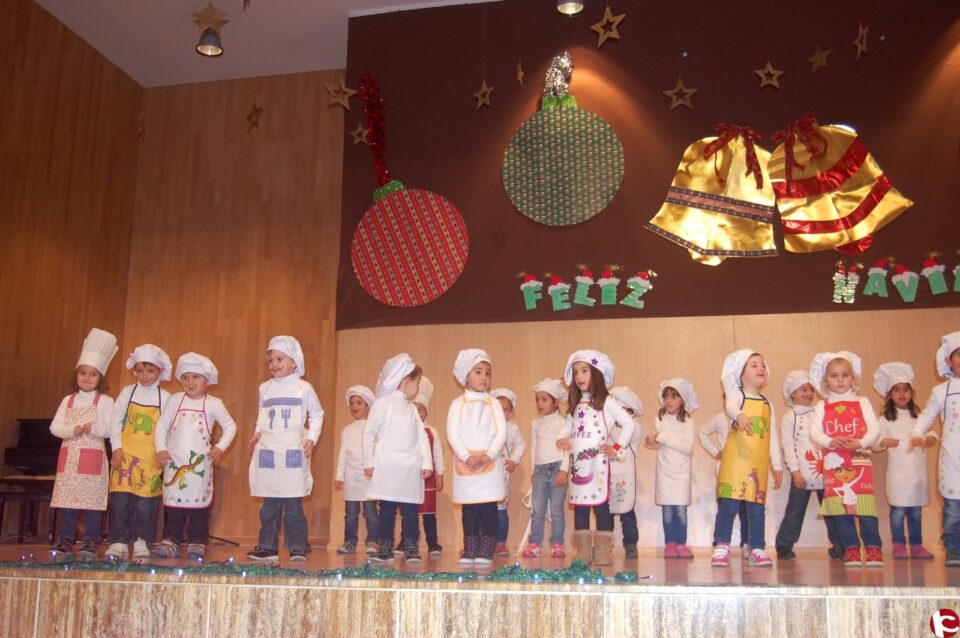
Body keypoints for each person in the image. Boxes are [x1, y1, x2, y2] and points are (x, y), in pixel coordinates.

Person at [151, 352, 236, 561]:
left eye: (195, 377)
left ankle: (196, 542)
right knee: (174, 507)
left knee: (199, 508)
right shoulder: (174, 400)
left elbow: (230, 426)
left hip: (199, 467)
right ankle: (170, 541)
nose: (189, 382)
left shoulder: (214, 403)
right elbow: (161, 425)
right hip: (174, 462)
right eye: (185, 377)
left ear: (207, 380)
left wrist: (220, 447)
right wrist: (161, 448)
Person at [245, 337, 323, 563]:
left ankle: (297, 546)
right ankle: (267, 547)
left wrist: (311, 438)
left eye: (279, 359)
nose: (273, 364)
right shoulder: (265, 388)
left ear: (294, 362)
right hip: (269, 450)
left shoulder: (304, 388)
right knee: (269, 505)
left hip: (292, 451)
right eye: (271, 359)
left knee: (293, 505)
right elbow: (262, 412)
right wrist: (257, 432)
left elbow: (317, 415)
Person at [556, 349, 635, 567]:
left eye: (584, 371)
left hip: (598, 465)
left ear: (597, 374)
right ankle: (582, 552)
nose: (579, 376)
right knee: (580, 507)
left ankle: (602, 552)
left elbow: (629, 424)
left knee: (601, 508)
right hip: (578, 466)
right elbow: (567, 427)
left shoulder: (606, 402)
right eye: (576, 372)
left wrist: (617, 447)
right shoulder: (575, 404)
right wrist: (563, 438)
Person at [49, 328, 118, 560]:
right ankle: (66, 538)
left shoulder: (107, 402)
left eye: (93, 374)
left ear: (101, 378)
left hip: (93, 461)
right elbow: (54, 427)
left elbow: (111, 429)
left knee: (92, 503)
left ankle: (91, 539)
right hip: (69, 461)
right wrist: (72, 430)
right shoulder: (67, 400)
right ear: (76, 375)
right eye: (83, 373)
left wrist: (94, 428)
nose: (87, 378)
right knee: (67, 502)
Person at [808, 351, 882, 568]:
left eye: (845, 375)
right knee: (841, 511)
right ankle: (851, 549)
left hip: (860, 464)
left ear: (853, 378)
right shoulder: (822, 406)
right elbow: (815, 432)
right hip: (834, 465)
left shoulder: (863, 402)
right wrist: (830, 441)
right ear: (825, 381)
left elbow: (874, 428)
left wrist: (860, 443)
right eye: (834, 375)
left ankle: (873, 549)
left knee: (866, 509)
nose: (840, 380)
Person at [712, 349, 783, 568]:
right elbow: (730, 407)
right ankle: (722, 545)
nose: (760, 368)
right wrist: (739, 415)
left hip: (757, 464)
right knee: (729, 504)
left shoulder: (767, 404)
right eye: (753, 365)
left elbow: (772, 436)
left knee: (756, 508)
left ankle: (757, 547)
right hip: (736, 461)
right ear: (741, 374)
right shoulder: (737, 395)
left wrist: (777, 464)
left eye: (762, 364)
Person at [105, 344, 172, 561]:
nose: (144, 376)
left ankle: (142, 540)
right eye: (140, 371)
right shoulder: (127, 392)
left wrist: (164, 453)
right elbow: (115, 421)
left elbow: (170, 429)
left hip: (150, 458)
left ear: (160, 371)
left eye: (150, 371)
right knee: (120, 500)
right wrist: (116, 448)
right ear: (134, 370)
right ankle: (118, 541)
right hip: (124, 456)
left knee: (146, 503)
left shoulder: (167, 397)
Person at [364, 353, 433, 564]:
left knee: (410, 510)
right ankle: (385, 545)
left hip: (410, 469)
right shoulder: (382, 404)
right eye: (417, 383)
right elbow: (369, 433)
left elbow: (421, 437)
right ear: (406, 380)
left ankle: (411, 545)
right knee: (386, 509)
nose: (418, 388)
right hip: (387, 468)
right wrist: (369, 461)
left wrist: (426, 463)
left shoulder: (412, 409)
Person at [774, 371, 842, 560]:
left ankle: (839, 545)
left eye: (811, 389)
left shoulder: (821, 412)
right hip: (802, 473)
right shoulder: (790, 417)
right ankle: (784, 544)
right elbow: (788, 445)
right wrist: (795, 472)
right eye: (803, 389)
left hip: (825, 472)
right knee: (795, 511)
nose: (808, 393)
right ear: (792, 394)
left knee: (832, 511)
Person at [447, 349, 506, 566]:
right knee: (469, 509)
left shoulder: (495, 404)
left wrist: (490, 455)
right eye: (478, 372)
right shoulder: (457, 403)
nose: (484, 377)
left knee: (489, 508)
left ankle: (486, 551)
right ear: (465, 375)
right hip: (466, 465)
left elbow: (501, 432)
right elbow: (453, 432)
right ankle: (470, 550)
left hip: (489, 464)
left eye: (488, 373)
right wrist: (465, 456)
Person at [872, 362, 936, 559]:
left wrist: (930, 439)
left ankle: (917, 545)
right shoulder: (885, 419)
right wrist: (885, 442)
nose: (902, 393)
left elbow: (930, 432)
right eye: (897, 390)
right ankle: (899, 544)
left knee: (915, 512)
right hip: (898, 474)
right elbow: (875, 444)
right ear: (889, 395)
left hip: (917, 473)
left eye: (906, 389)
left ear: (911, 392)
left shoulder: (919, 416)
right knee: (898, 511)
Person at [910, 331, 960, 566]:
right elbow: (926, 415)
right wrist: (917, 433)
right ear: (948, 361)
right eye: (959, 354)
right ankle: (953, 548)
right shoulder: (941, 391)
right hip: (952, 460)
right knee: (953, 509)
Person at [644, 379, 698, 559]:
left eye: (673, 397)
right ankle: (670, 544)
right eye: (666, 397)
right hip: (665, 470)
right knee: (667, 511)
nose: (668, 401)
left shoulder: (688, 421)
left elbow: (687, 446)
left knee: (680, 511)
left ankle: (681, 543)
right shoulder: (659, 419)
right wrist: (651, 441)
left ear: (682, 400)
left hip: (681, 471)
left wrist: (662, 437)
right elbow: (658, 444)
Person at [521, 379, 569, 559]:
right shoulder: (535, 423)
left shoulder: (563, 422)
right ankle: (535, 543)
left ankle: (557, 543)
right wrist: (533, 471)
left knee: (556, 509)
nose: (540, 403)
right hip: (540, 470)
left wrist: (564, 470)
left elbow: (567, 449)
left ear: (556, 402)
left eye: (544, 399)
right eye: (537, 400)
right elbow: (534, 447)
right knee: (537, 510)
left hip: (558, 468)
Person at [699, 407, 750, 558]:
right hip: (726, 469)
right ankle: (720, 542)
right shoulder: (721, 418)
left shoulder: (751, 417)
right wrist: (716, 451)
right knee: (726, 507)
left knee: (746, 508)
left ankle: (747, 543)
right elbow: (702, 432)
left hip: (747, 469)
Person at [335, 385, 378, 555]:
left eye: (359, 403)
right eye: (352, 403)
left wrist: (378, 474)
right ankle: (349, 541)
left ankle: (373, 541)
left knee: (371, 513)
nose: (354, 406)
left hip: (368, 478)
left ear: (368, 406)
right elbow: (342, 455)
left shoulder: (373, 428)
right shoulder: (347, 430)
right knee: (351, 514)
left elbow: (376, 452)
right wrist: (339, 475)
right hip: (352, 479)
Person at [609, 386, 643, 559]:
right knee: (605, 512)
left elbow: (620, 439)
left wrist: (612, 422)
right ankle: (604, 544)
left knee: (627, 512)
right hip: (608, 477)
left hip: (625, 478)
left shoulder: (635, 427)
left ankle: (630, 544)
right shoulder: (608, 426)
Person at [491, 388, 526, 556]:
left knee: (500, 510)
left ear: (511, 412)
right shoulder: (485, 426)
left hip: (502, 472)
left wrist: (514, 460)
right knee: (483, 510)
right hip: (485, 472)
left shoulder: (512, 428)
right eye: (498, 407)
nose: (501, 412)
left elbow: (520, 445)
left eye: (505, 409)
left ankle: (500, 543)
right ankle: (483, 542)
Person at [412, 377, 445, 556]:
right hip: (410, 477)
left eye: (421, 410)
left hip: (429, 478)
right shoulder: (406, 430)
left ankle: (433, 543)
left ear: (426, 413)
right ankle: (407, 542)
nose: (418, 414)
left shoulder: (433, 432)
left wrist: (440, 474)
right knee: (410, 513)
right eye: (414, 410)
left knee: (429, 513)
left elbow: (438, 454)